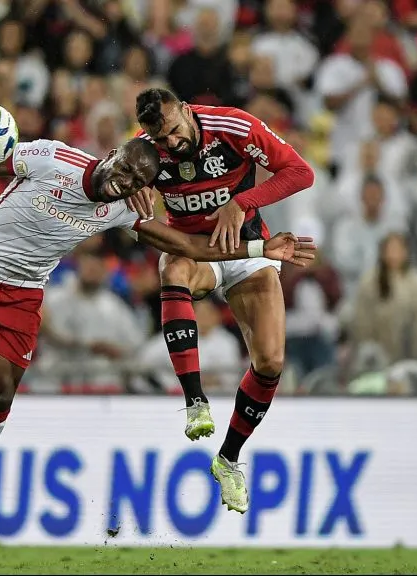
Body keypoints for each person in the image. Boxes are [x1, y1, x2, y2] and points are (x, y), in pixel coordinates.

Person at [0, 136, 316, 551]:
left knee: (0, 395)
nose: (124, 184)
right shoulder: (49, 157)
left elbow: (186, 245)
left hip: (22, 292)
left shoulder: (123, 210)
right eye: (124, 171)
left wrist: (259, 249)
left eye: (137, 183)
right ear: (111, 155)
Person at [130, 87, 314, 513]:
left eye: (174, 131)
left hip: (249, 248)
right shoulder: (143, 152)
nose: (171, 144)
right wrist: (127, 189)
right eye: (160, 140)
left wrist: (242, 201)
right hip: (196, 251)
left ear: (185, 111)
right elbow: (106, 178)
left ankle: (228, 459)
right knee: (171, 269)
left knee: (269, 363)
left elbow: (301, 172)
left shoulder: (232, 126)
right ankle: (195, 402)